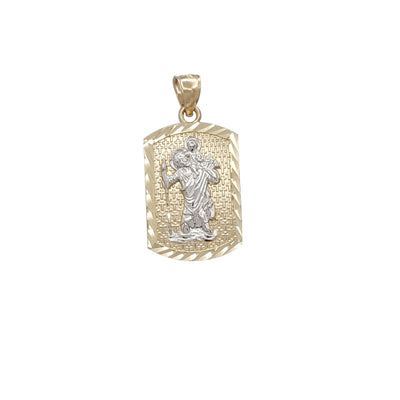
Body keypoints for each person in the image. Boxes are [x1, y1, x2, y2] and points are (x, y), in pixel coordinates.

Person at [162, 145, 219, 239]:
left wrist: (205, 169)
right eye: (180, 159)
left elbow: (213, 178)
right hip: (189, 199)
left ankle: (205, 226)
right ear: (178, 163)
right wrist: (163, 172)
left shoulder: (198, 168)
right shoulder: (180, 172)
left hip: (200, 197)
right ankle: (187, 228)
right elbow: (168, 183)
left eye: (184, 157)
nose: (184, 159)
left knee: (201, 213)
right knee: (186, 218)